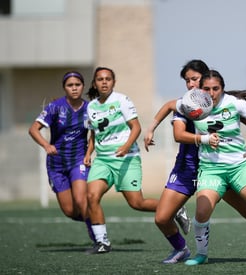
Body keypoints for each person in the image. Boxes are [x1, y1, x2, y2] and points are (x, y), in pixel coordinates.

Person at [144, 60, 246, 264]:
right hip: (192, 167)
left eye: (195, 79)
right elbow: (174, 123)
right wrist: (151, 128)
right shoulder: (188, 103)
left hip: (225, 166)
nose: (191, 85)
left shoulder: (225, 101)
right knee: (162, 217)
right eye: (187, 81)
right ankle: (183, 249)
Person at [84, 67, 189, 254]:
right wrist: (88, 153)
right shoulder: (91, 107)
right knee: (91, 197)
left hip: (127, 158)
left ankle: (177, 209)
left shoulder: (122, 100)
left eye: (108, 79)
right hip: (103, 161)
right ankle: (102, 242)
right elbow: (93, 133)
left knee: (136, 203)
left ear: (113, 82)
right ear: (94, 83)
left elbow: (136, 127)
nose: (104, 82)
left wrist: (125, 147)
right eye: (100, 79)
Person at [28, 71, 95, 243]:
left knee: (81, 200)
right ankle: (95, 219)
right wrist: (46, 145)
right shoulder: (55, 107)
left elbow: (94, 135)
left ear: (83, 86)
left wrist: (88, 154)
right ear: (64, 88)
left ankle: (98, 236)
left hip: (78, 160)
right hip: (56, 164)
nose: (74, 88)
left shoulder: (90, 108)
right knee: (70, 211)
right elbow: (33, 129)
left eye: (77, 85)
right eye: (70, 85)